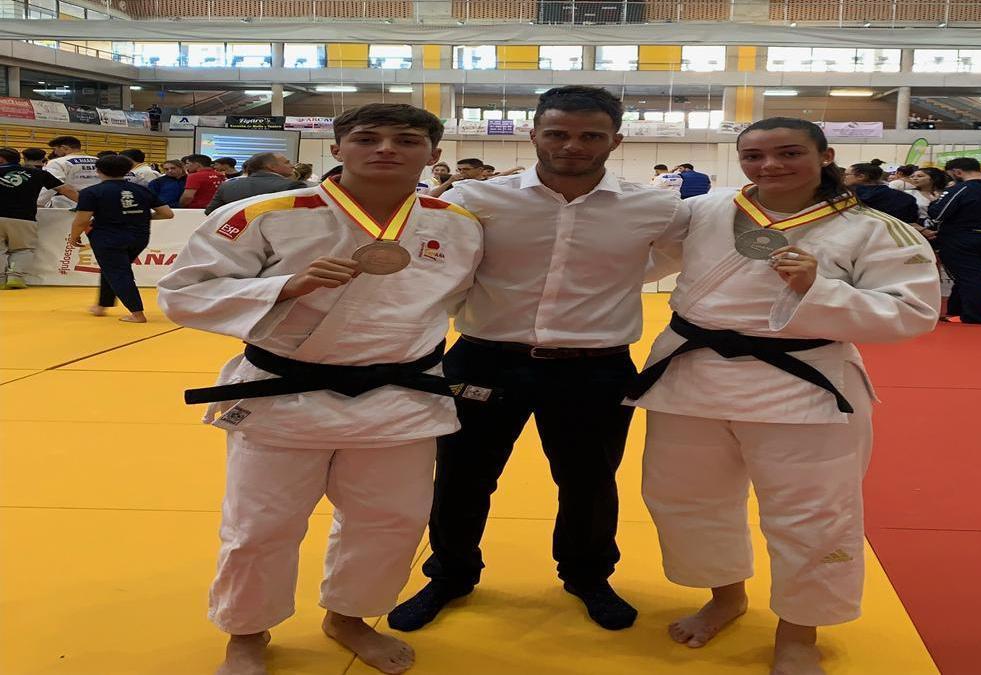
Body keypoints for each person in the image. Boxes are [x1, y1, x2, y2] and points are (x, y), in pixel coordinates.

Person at [157, 103, 484, 675]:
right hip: (284, 394)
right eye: (368, 138)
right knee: (260, 526)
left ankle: (350, 617)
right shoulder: (265, 213)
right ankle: (247, 631)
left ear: (432, 155)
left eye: (406, 140)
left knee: (391, 522)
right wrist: (283, 288)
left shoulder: (459, 224)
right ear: (336, 150)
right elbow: (183, 294)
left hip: (400, 397)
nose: (386, 148)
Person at [627, 117, 939, 674]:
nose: (769, 166)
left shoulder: (875, 228)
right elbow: (633, 257)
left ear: (824, 155)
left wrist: (819, 289)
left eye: (788, 153)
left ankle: (799, 632)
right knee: (687, 500)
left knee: (812, 516)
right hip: (692, 376)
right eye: (753, 155)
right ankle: (726, 597)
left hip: (801, 384)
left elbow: (913, 312)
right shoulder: (705, 210)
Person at [388, 85, 688, 634]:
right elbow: (436, 268)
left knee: (590, 481)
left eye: (590, 135)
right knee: (461, 477)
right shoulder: (476, 199)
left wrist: (600, 293)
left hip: (594, 366)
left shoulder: (656, 207)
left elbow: (662, 264)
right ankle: (450, 574)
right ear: (534, 135)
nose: (572, 145)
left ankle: (588, 576)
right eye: (557, 133)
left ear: (615, 140)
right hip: (484, 360)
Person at [69, 154, 173, 322]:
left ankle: (137, 313)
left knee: (118, 272)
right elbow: (167, 214)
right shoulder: (142, 189)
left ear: (99, 171)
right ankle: (102, 305)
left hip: (107, 238)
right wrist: (142, 216)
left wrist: (73, 237)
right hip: (139, 237)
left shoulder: (92, 192)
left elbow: (81, 220)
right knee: (112, 269)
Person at [927, 157, 981, 324]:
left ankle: (973, 315)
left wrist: (936, 201)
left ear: (957, 172)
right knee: (970, 275)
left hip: (962, 236)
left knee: (969, 277)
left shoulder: (962, 189)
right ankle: (956, 310)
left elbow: (938, 213)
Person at [0, 146, 79, 289]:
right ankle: (15, 277)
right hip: (24, 218)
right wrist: (87, 205)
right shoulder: (38, 173)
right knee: (22, 249)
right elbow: (65, 189)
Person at [204, 152, 307, 214]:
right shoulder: (293, 186)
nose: (292, 166)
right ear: (271, 166)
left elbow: (210, 212)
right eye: (287, 162)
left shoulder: (227, 185)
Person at [843, 162, 920, 225]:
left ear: (861, 176)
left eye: (846, 175)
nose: (843, 177)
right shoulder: (907, 198)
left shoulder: (849, 198)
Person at [40, 135, 99, 207]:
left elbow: (52, 185)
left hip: (67, 203)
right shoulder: (99, 160)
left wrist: (39, 203)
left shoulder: (57, 162)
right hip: (98, 202)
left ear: (64, 148)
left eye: (55, 149)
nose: (55, 153)